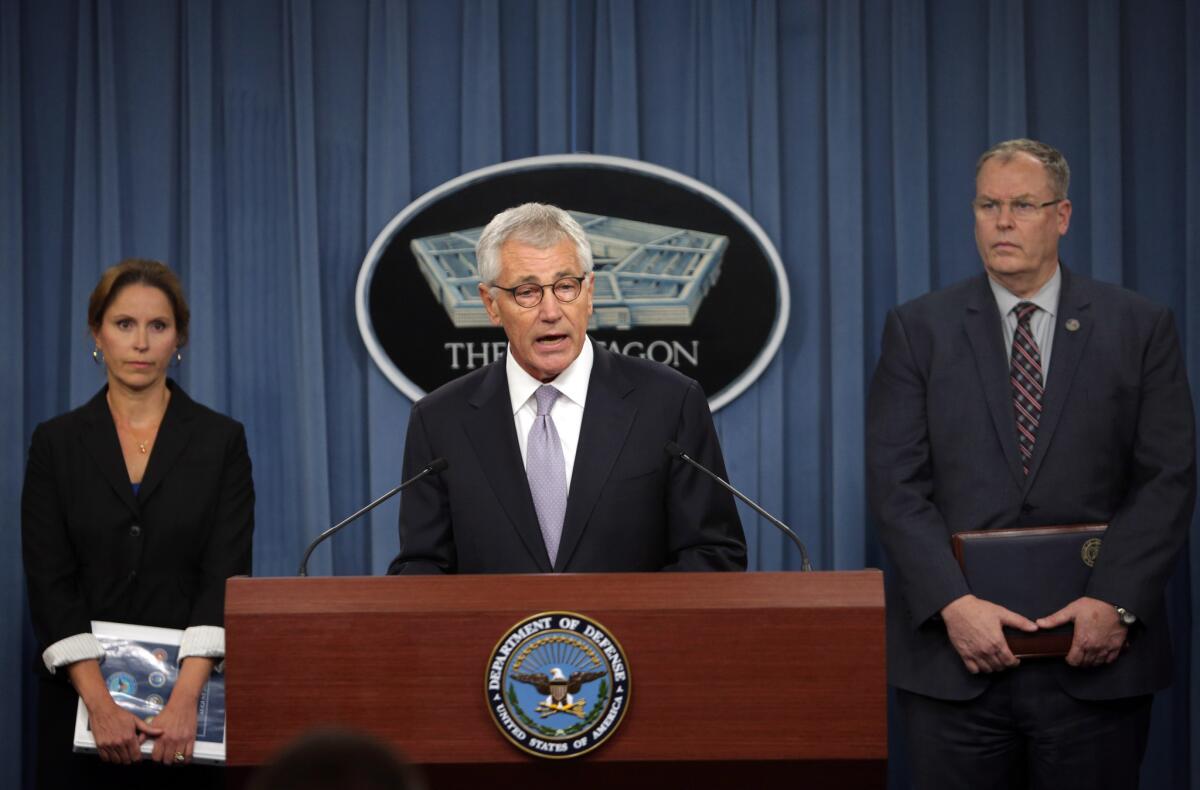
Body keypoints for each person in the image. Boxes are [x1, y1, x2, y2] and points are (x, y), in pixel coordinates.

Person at [866, 139, 1195, 789]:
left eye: (1022, 205)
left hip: (1094, 665)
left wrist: (1116, 602)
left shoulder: (1139, 326)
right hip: (954, 668)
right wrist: (954, 606)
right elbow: (895, 484)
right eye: (988, 205)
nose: (1003, 221)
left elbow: (1167, 478)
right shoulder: (919, 329)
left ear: (1062, 215)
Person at [388, 202, 745, 574]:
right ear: (491, 304)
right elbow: (423, 567)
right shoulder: (440, 420)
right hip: (493, 635)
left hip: (630, 634)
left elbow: (713, 555)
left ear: (589, 292)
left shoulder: (670, 403)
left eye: (565, 287)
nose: (551, 311)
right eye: (527, 291)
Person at [22, 259, 255, 788]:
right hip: (78, 710)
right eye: (125, 324)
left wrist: (183, 704)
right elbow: (49, 581)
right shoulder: (55, 444)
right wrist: (101, 706)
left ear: (179, 339)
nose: (142, 342)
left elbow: (225, 574)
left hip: (186, 714)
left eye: (158, 326)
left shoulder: (221, 441)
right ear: (97, 333)